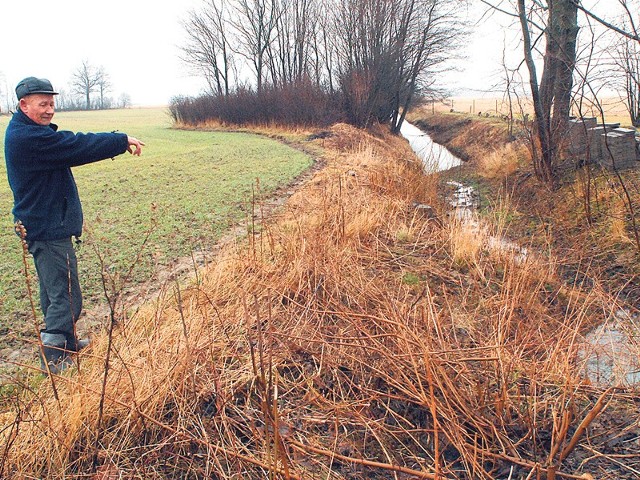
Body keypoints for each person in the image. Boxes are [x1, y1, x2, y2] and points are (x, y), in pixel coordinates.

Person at [4, 76, 145, 374]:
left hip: (43, 223)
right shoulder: (28, 138)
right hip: (46, 226)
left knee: (54, 289)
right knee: (66, 294)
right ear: (23, 105)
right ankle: (54, 358)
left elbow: (69, 144)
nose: (49, 110)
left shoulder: (27, 131)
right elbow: (76, 145)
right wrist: (120, 141)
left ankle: (64, 343)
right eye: (43, 104)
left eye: (52, 103)